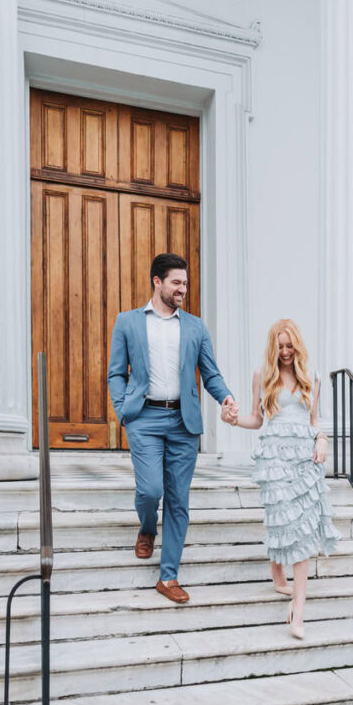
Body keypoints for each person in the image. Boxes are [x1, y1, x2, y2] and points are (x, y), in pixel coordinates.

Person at [107, 253, 238, 603]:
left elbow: (210, 372)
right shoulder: (128, 322)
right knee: (151, 490)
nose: (183, 289)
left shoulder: (195, 326)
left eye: (185, 283)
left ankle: (168, 578)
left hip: (183, 422)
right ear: (157, 282)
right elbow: (116, 372)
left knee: (179, 500)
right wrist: (123, 409)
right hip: (144, 419)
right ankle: (148, 527)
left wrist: (225, 397)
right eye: (176, 282)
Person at [226, 319, 339, 638]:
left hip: (305, 459)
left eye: (291, 346)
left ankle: (298, 610)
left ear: (298, 346)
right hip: (275, 459)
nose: (286, 352)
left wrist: (322, 439)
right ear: (273, 347)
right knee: (281, 523)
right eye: (281, 346)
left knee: (302, 534)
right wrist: (234, 420)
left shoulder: (310, 377)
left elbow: (314, 421)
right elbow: (256, 419)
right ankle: (277, 570)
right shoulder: (262, 376)